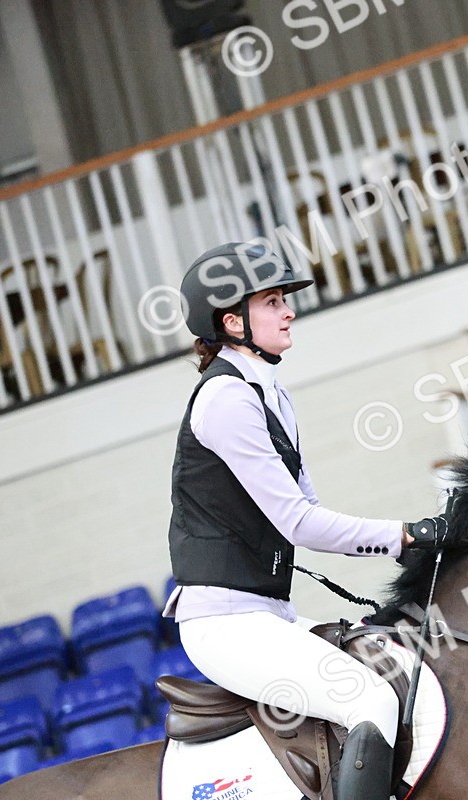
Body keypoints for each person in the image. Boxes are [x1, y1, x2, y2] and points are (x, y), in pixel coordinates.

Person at [163, 242, 445, 800]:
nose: (289, 311)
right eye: (272, 301)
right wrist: (406, 536)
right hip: (225, 625)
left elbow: (310, 513)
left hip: (268, 612)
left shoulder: (272, 395)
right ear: (232, 321)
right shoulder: (224, 399)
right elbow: (300, 525)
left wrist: (405, 539)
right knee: (370, 700)